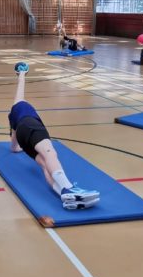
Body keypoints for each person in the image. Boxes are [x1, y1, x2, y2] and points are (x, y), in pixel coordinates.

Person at [9, 62, 99, 209]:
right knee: (50, 153)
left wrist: (17, 148)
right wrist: (23, 74)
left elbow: (13, 146)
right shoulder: (21, 105)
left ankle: (63, 194)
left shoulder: (12, 116)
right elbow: (20, 91)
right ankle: (68, 187)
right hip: (31, 125)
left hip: (22, 136)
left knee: (45, 165)